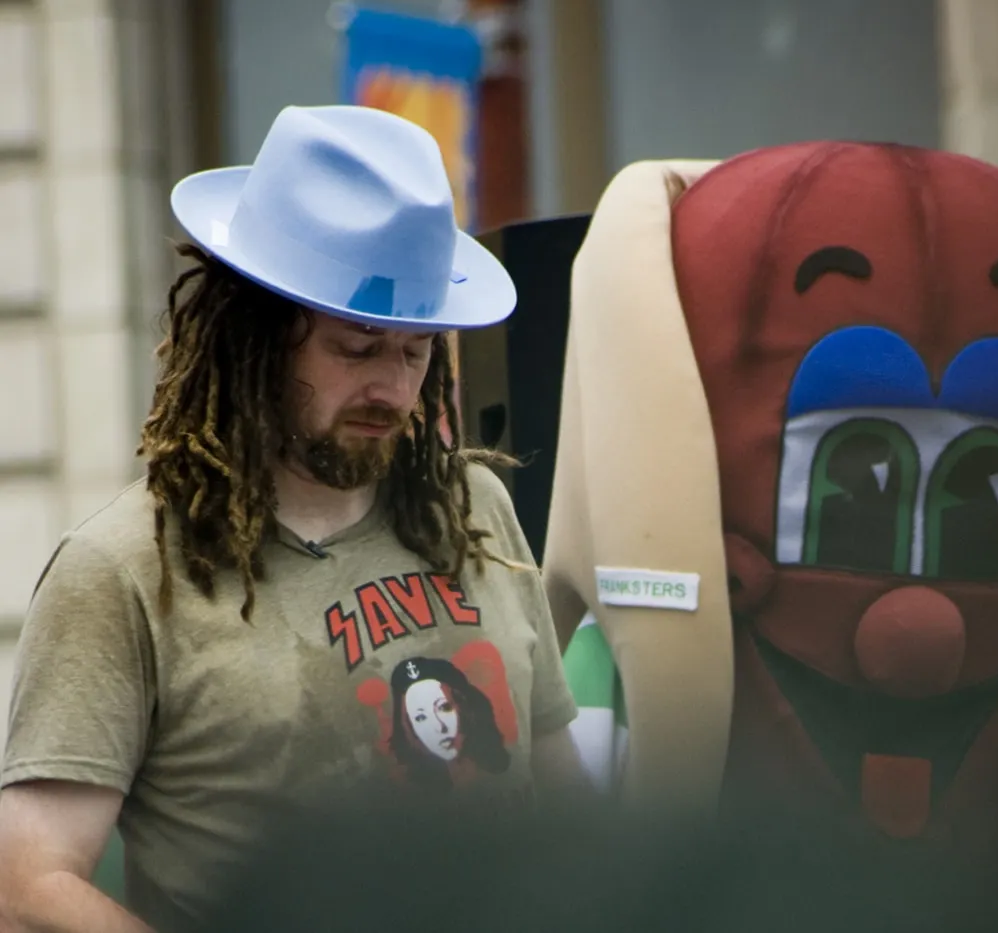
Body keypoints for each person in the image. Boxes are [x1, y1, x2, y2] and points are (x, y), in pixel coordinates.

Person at [0, 104, 586, 933]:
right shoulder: (122, 569)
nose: (392, 387)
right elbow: (28, 887)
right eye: (357, 346)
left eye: (417, 351)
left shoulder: (472, 507)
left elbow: (566, 803)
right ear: (259, 333)